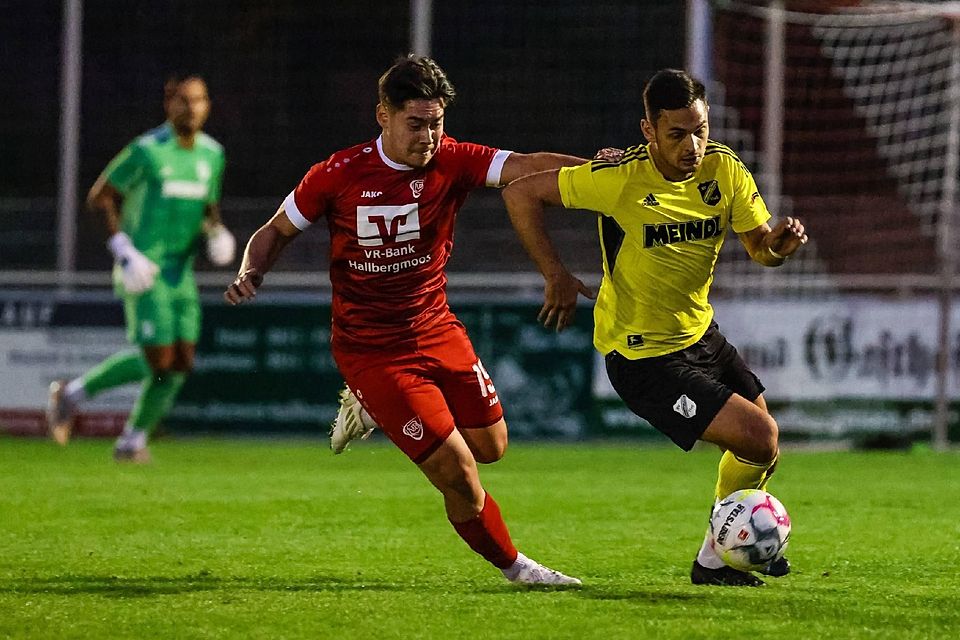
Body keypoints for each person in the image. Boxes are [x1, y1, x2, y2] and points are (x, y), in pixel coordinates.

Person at [225, 54, 585, 586]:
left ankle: (372, 409)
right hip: (372, 350)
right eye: (416, 124)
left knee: (492, 447)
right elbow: (275, 230)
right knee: (460, 475)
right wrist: (250, 270)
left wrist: (612, 174)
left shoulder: (454, 160)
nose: (429, 137)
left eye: (436, 123)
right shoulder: (338, 174)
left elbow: (526, 165)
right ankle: (518, 569)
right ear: (383, 117)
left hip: (437, 329)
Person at [500, 68, 808, 586]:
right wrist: (554, 272)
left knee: (764, 451)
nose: (693, 145)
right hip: (644, 358)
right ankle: (726, 544)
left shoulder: (724, 171)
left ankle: (714, 560)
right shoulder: (618, 178)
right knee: (760, 436)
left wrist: (777, 248)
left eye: (700, 130)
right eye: (677, 134)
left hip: (700, 335)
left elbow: (759, 249)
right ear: (649, 131)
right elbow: (520, 193)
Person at [47, 73, 234, 463]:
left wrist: (216, 231)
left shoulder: (212, 154)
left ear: (208, 106)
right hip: (142, 267)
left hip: (180, 274)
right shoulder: (147, 150)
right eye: (183, 100)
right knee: (158, 360)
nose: (191, 108)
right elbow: (100, 197)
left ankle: (132, 441)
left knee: (181, 363)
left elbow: (207, 205)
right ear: (169, 104)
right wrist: (124, 250)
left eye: (198, 100)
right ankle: (70, 394)